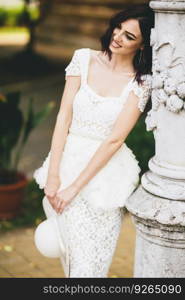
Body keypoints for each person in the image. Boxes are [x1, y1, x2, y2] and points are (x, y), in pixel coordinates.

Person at [33, 3, 154, 278]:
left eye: (129, 36)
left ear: (143, 47)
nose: (117, 37)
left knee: (91, 268)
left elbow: (115, 139)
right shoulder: (83, 59)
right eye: (118, 27)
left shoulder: (141, 83)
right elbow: (63, 116)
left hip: (105, 178)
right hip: (66, 165)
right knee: (71, 262)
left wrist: (74, 188)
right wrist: (54, 175)